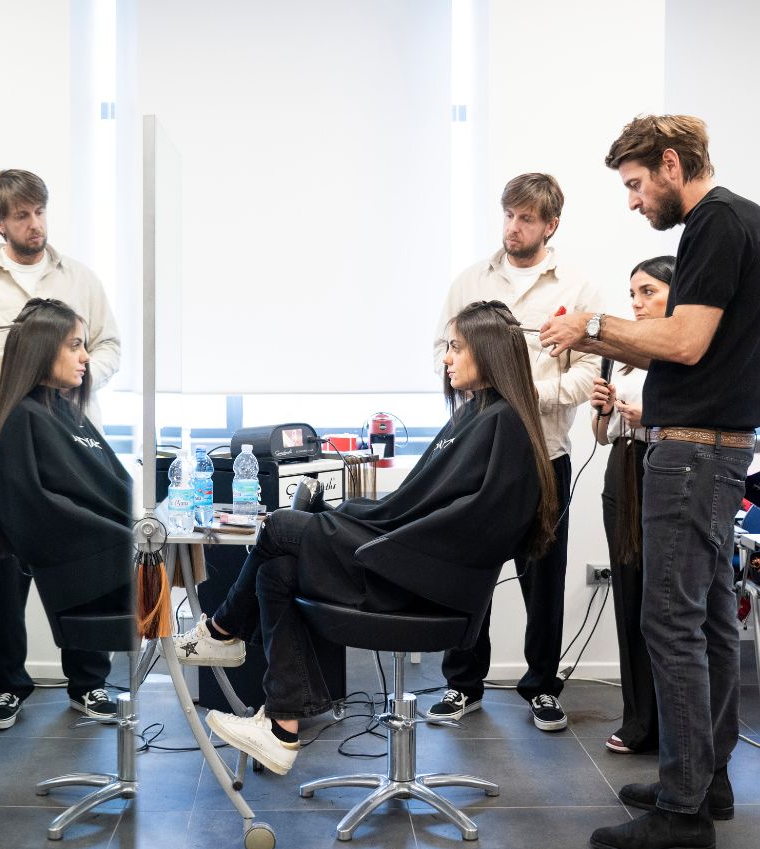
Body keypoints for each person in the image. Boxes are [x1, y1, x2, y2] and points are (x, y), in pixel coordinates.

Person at [174, 301, 558, 775]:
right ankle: (281, 727)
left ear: (489, 350)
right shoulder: (477, 415)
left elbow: (466, 530)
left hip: (413, 583)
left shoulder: (504, 425)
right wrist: (356, 519)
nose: (446, 358)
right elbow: (414, 505)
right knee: (278, 568)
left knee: (279, 527)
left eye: (456, 347)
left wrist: (372, 539)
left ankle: (220, 632)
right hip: (398, 562)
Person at [540, 115, 760, 849]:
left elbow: (685, 341)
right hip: (717, 449)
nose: (633, 202)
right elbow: (706, 343)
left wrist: (592, 325)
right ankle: (707, 781)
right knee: (708, 620)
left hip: (693, 452)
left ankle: (682, 809)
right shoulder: (741, 221)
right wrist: (609, 339)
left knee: (669, 620)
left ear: (671, 163)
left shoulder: (715, 223)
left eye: (635, 185)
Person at [0, 169, 122, 730]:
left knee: (86, 560)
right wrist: (22, 389)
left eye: (40, 211)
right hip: (12, 446)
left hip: (73, 445)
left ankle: (88, 682)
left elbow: (109, 346)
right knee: (7, 570)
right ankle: (9, 684)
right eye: (21, 215)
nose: (34, 223)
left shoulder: (81, 279)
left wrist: (74, 385)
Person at [429, 173, 603, 732]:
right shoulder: (470, 281)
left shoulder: (578, 289)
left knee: (543, 577)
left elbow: (588, 374)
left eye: (526, 218)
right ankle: (462, 684)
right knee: (467, 569)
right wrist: (487, 394)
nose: (513, 227)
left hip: (543, 456)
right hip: (478, 456)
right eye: (508, 215)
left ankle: (542, 687)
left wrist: (524, 397)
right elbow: (443, 352)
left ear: (551, 225)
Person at [0, 298, 132, 716]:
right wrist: (112, 531)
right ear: (42, 349)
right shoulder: (22, 415)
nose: (86, 357)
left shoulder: (67, 411)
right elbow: (28, 497)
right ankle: (9, 685)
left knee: (93, 578)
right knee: (7, 599)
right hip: (28, 526)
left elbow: (108, 481)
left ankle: (88, 684)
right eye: (75, 345)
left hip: (74, 528)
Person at [589, 256, 675, 756]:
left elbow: (696, 423)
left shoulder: (685, 352)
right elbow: (601, 436)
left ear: (676, 293)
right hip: (621, 471)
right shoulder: (620, 354)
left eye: (648, 292)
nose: (638, 304)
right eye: (633, 295)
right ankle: (638, 719)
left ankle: (673, 723)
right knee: (628, 595)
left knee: (662, 603)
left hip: (664, 469)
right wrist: (603, 412)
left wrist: (652, 417)